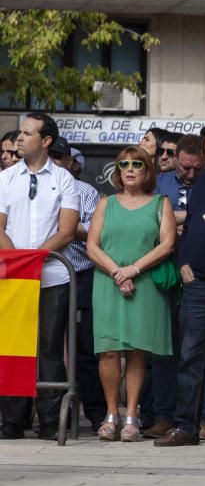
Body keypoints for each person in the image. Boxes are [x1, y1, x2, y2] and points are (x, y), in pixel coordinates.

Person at [153, 135, 205, 449]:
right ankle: (185, 427)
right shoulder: (201, 185)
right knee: (190, 358)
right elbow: (188, 227)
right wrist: (184, 260)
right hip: (198, 286)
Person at [87, 146, 176, 442]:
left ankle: (132, 415)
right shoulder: (106, 204)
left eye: (137, 163)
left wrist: (133, 270)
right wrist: (117, 272)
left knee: (138, 351)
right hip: (109, 282)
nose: (130, 168)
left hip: (144, 282)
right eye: (123, 164)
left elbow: (166, 245)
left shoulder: (160, 203)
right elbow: (92, 246)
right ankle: (111, 413)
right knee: (109, 349)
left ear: (148, 169)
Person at [0, 113, 80, 441]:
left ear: (45, 141)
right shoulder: (5, 179)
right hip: (15, 277)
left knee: (48, 347)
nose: (19, 138)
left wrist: (38, 257)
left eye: (27, 133)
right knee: (14, 344)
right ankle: (12, 420)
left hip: (52, 275)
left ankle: (50, 420)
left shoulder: (63, 180)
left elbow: (68, 230)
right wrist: (18, 260)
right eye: (19, 132)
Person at [49, 138, 104, 434]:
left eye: (61, 158)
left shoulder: (85, 192)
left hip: (81, 275)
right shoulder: (40, 190)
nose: (57, 163)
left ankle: (96, 415)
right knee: (50, 347)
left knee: (85, 348)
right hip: (47, 273)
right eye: (52, 158)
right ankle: (53, 416)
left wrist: (70, 228)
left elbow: (95, 236)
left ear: (73, 163)